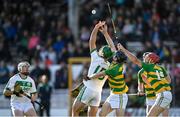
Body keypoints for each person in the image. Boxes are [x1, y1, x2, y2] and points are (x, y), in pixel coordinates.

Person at [72, 21, 116, 116]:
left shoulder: (96, 57)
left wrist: (96, 27)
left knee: (75, 110)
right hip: (98, 92)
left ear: (101, 53)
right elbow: (113, 49)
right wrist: (105, 33)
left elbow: (92, 41)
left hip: (88, 88)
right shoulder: (111, 65)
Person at [117, 43, 172, 116]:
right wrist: (143, 90)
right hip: (163, 94)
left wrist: (123, 49)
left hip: (161, 95)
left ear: (151, 60)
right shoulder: (160, 68)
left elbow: (135, 60)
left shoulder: (149, 67)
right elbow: (168, 81)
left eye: (146, 57)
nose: (144, 58)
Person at [86, 51, 128, 116]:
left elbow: (100, 74)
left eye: (115, 55)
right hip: (113, 94)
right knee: (101, 114)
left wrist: (89, 77)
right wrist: (108, 39)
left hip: (120, 96)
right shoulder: (116, 62)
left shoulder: (114, 69)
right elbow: (113, 47)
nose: (113, 55)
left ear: (116, 58)